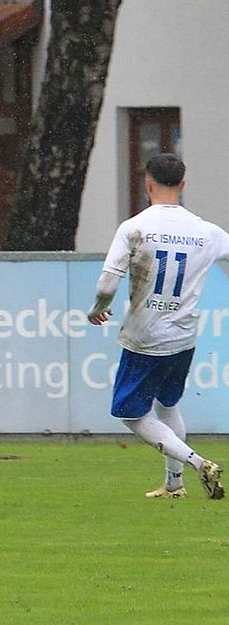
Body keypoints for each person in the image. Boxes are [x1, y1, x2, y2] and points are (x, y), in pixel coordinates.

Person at [88, 153, 226, 500]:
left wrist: (99, 309)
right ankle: (174, 485)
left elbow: (107, 285)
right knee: (168, 405)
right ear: (183, 185)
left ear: (147, 183)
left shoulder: (135, 227)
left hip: (145, 336)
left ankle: (197, 463)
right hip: (184, 337)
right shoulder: (207, 231)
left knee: (128, 412)